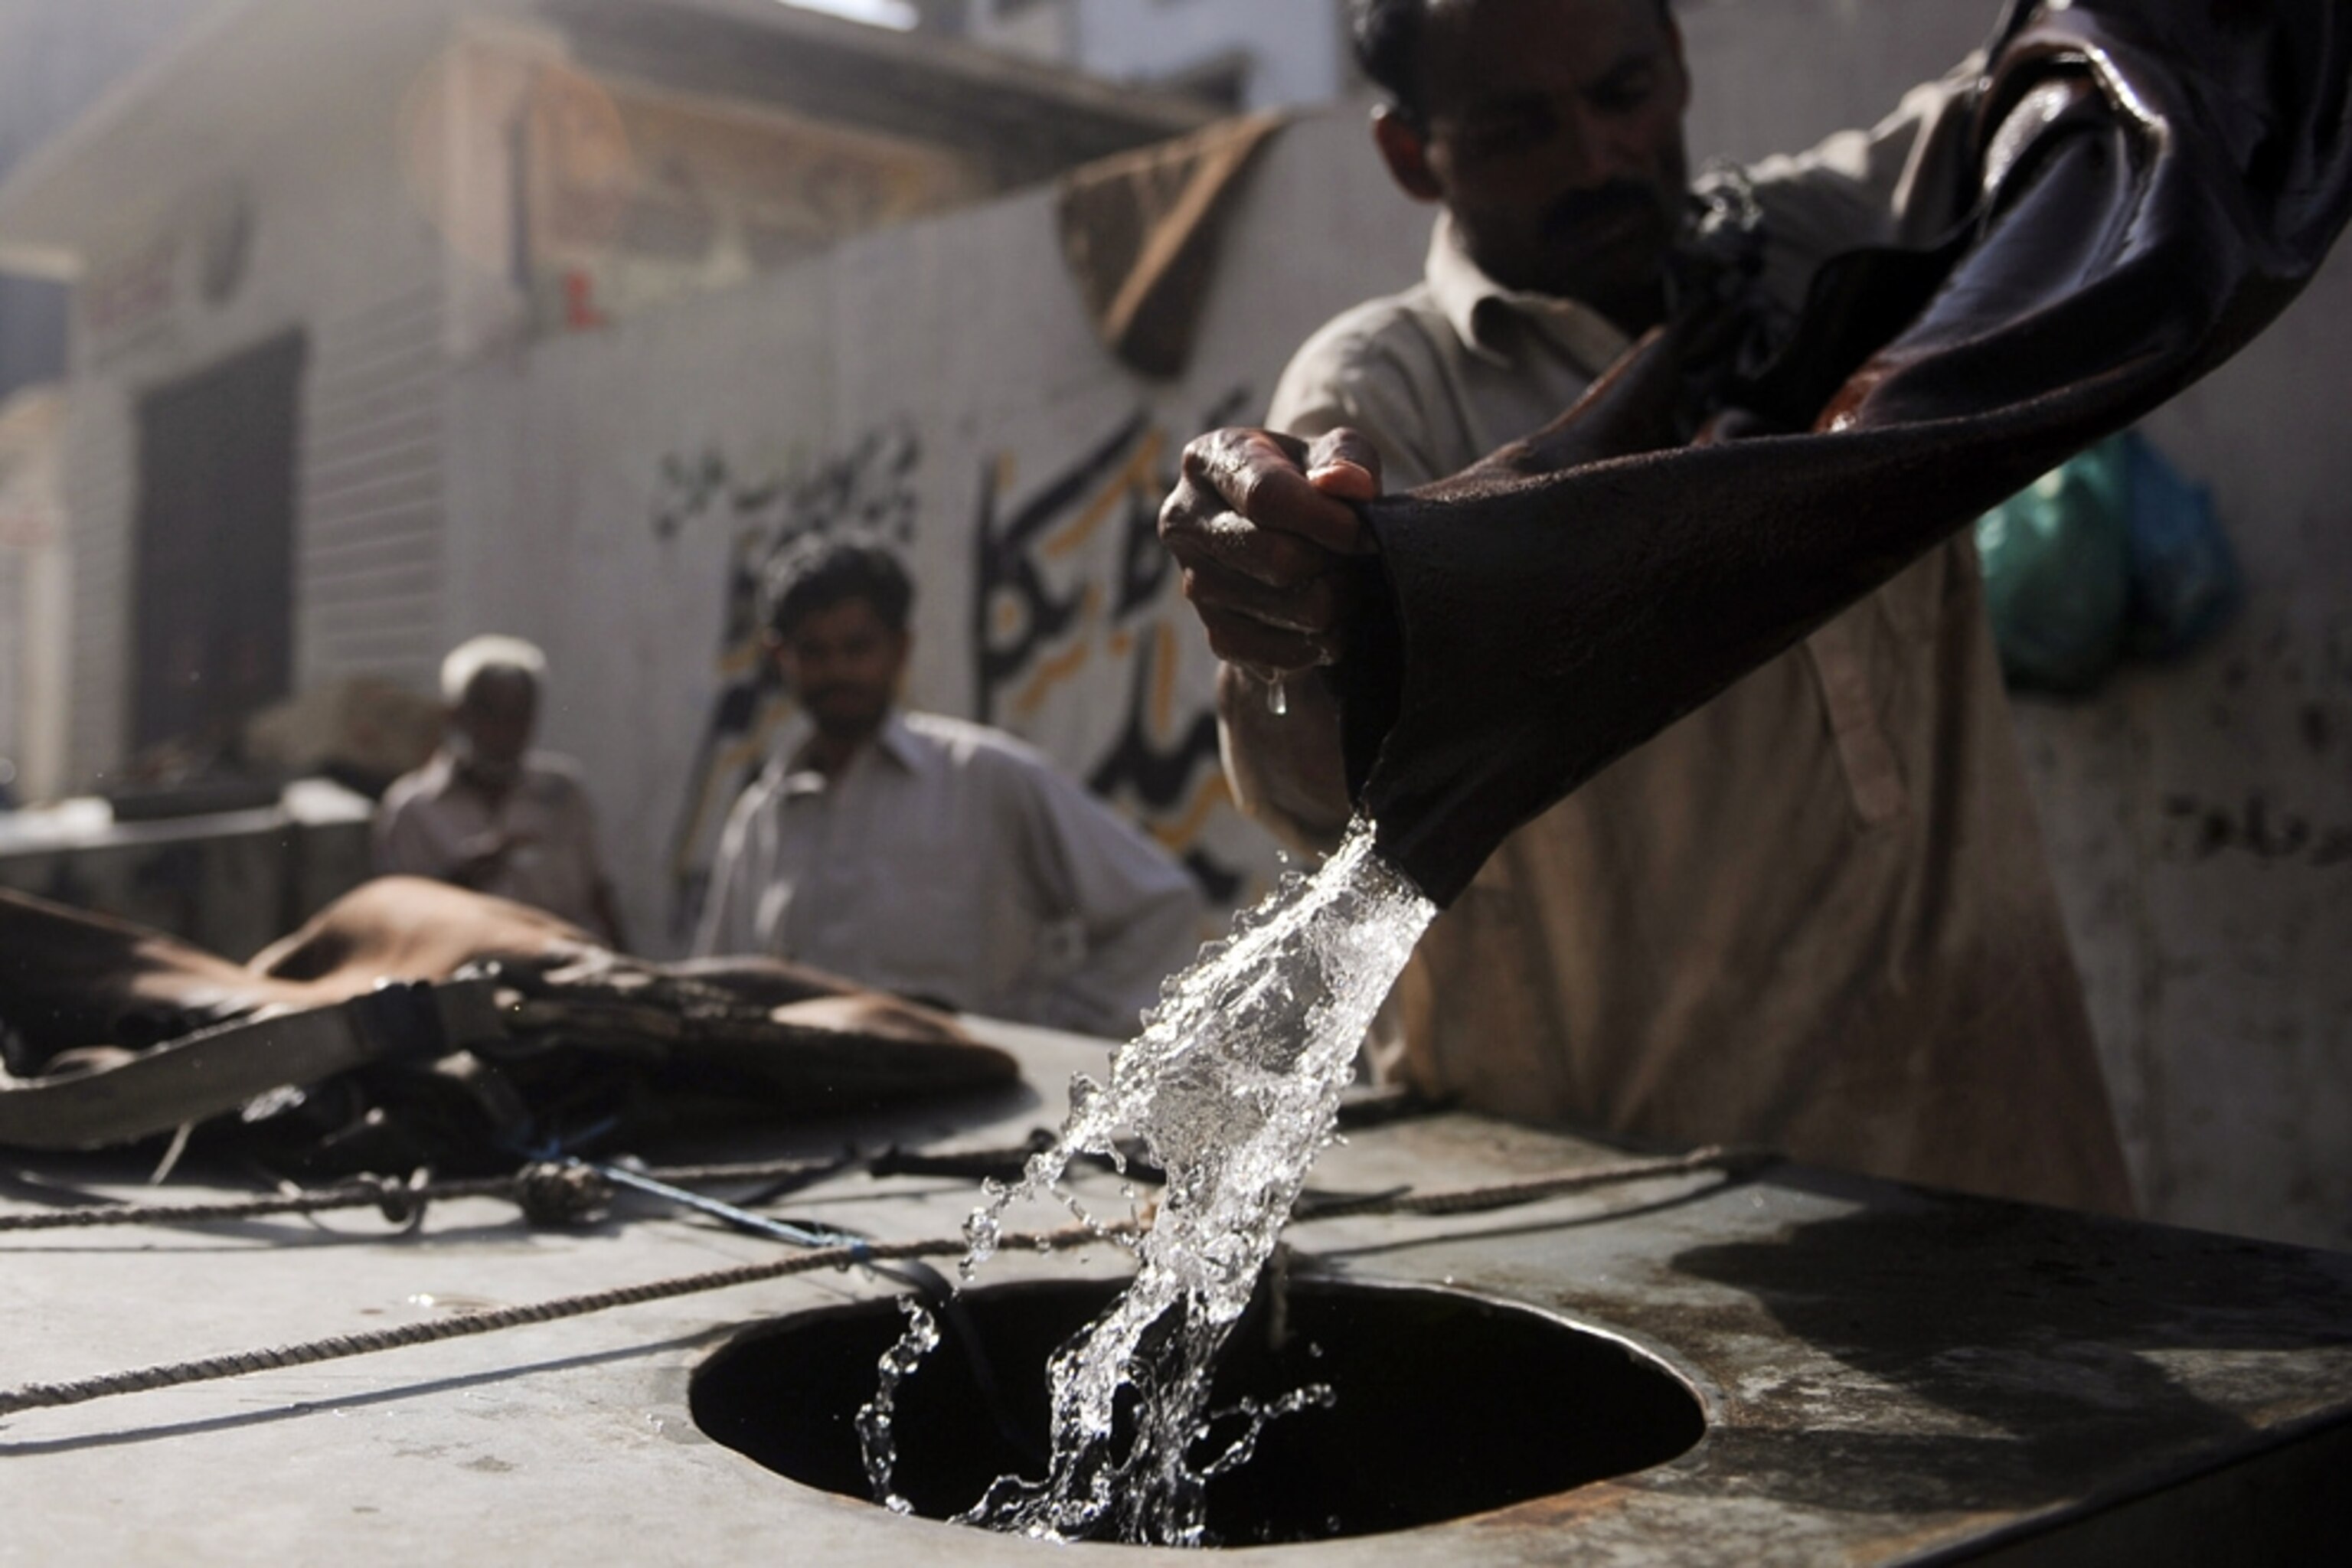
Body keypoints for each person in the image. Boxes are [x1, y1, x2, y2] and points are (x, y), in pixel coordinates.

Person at [1159, 0, 2161, 1211]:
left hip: (1998, 1160)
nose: (1596, 158)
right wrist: (1308, 609)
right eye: (1523, 126)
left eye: (1622, 94)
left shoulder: (1828, 246)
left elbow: (2083, 76)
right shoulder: (1387, 389)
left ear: (1679, 67)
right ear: (1412, 155)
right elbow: (1329, 790)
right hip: (1639, 1219)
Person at [694, 541, 1205, 1037]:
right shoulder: (764, 816)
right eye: (815, 652)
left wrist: (1050, 1039)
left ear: (900, 648)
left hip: (980, 1106)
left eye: (858, 648)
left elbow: (1160, 904)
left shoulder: (983, 776)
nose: (838, 671)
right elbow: (721, 989)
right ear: (779, 656)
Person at [374, 635, 627, 948]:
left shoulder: (562, 794)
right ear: (457, 716)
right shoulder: (412, 808)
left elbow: (598, 893)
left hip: (563, 966)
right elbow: (395, 917)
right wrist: (461, 879)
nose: (507, 730)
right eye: (491, 713)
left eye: (519, 714)